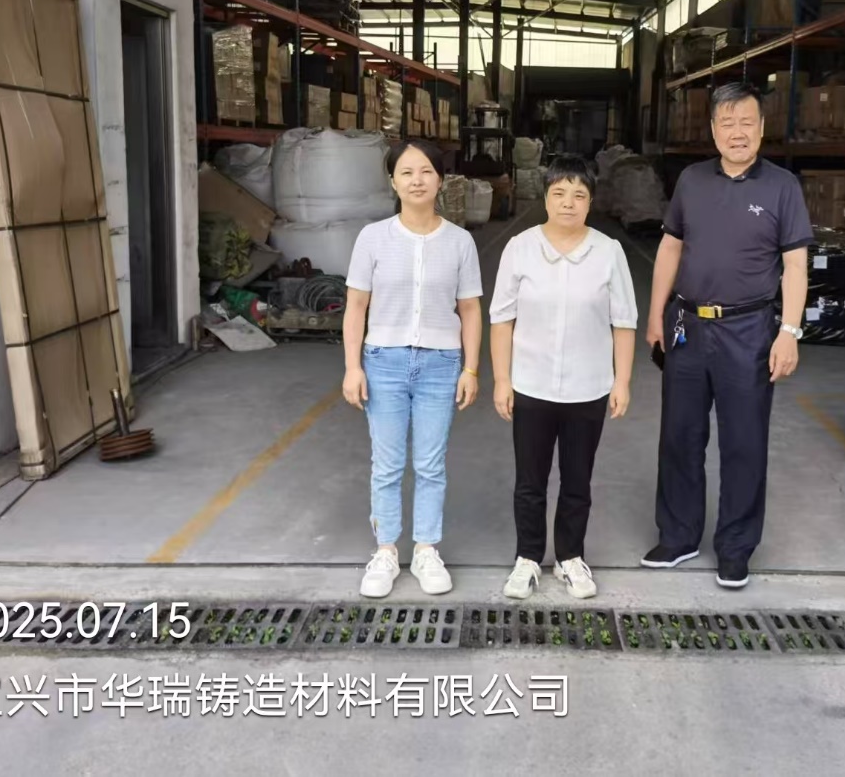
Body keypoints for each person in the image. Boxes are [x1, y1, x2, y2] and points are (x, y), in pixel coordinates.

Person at [641, 82, 813, 589]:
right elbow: (670, 248)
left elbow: (795, 265)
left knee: (744, 442)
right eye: (727, 123)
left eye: (747, 123)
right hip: (688, 325)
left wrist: (789, 331)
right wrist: (655, 315)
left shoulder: (782, 186)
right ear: (713, 129)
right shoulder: (692, 180)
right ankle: (678, 536)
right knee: (680, 436)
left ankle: (735, 548)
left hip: (749, 330)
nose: (737, 133)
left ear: (761, 128)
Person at [489, 155, 638, 600]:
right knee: (529, 481)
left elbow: (624, 322)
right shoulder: (520, 248)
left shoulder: (608, 252)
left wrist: (622, 381)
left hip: (587, 387)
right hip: (531, 384)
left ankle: (571, 557)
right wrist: (502, 379)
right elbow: (502, 319)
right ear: (546, 197)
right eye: (559, 193)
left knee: (577, 480)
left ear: (591, 202)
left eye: (579, 195)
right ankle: (528, 558)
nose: (568, 203)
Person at [342, 140, 483, 598]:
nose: (417, 180)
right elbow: (356, 307)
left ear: (440, 180)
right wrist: (352, 367)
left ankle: (425, 549)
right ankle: (385, 551)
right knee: (386, 464)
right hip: (383, 362)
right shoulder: (373, 238)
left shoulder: (460, 242)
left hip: (441, 364)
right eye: (406, 172)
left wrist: (471, 369)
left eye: (425, 171)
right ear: (393, 181)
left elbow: (470, 309)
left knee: (430, 464)